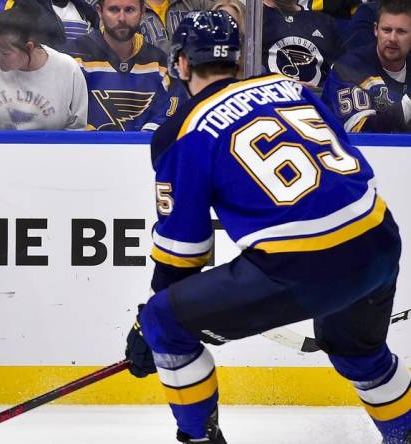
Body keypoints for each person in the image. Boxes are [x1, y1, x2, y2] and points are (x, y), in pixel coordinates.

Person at [125, 10, 410, 444]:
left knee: (166, 319)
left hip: (303, 264)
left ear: (180, 63)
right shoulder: (290, 87)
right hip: (377, 238)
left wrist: (154, 328)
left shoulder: (181, 132)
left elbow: (182, 253)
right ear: (238, 62)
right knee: (357, 350)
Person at [61, 0, 184, 131]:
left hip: (142, 150)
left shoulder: (161, 65)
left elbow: (169, 118)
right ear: (99, 11)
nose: (122, 18)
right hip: (83, 150)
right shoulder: (72, 58)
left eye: (129, 10)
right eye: (113, 10)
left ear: (142, 12)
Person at [0, 0, 88, 130]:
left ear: (29, 47)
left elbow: (76, 127)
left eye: (5, 52)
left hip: (50, 148)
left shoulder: (68, 69)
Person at [322, 0, 411, 133]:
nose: (392, 38)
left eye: (401, 32)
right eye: (386, 30)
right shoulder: (349, 68)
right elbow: (361, 130)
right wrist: (407, 105)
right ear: (376, 30)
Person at [262, 0, 344, 89]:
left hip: (316, 98)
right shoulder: (252, 20)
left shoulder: (325, 22)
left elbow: (341, 74)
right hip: (271, 96)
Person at [138, 0, 213, 55]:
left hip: (193, 70)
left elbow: (221, 9)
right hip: (152, 74)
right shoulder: (131, 9)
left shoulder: (194, 3)